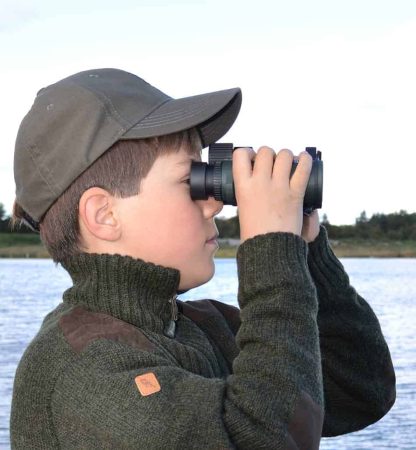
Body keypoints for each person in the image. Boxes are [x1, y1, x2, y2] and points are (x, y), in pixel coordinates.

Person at [10, 68, 395, 450]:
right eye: (190, 181)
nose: (213, 203)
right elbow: (266, 439)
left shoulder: (204, 329)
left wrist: (307, 251)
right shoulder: (82, 371)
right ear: (104, 215)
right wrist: (272, 247)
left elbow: (359, 390)